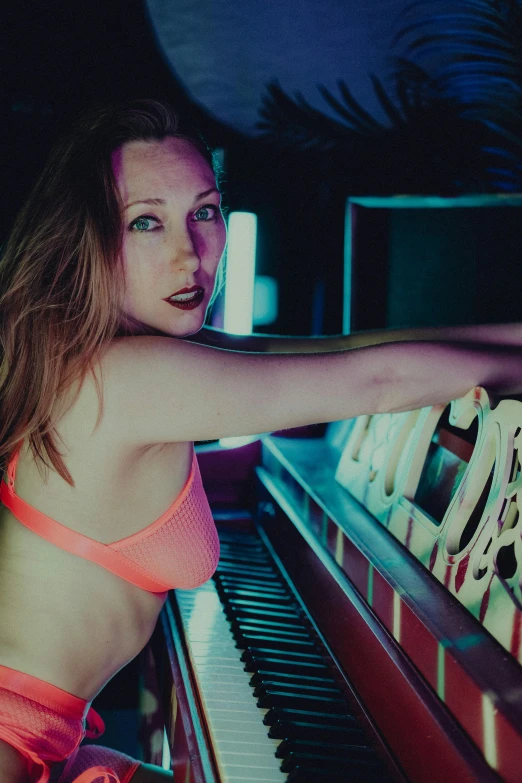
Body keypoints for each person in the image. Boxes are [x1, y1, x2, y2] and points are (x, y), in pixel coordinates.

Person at [1, 98, 522, 783]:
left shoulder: (111, 350)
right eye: (147, 221)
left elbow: (349, 351)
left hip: (42, 739)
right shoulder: (124, 378)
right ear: (88, 236)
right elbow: (376, 381)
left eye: (206, 211)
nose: (190, 253)